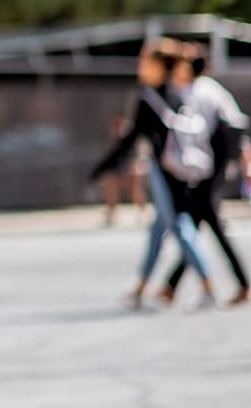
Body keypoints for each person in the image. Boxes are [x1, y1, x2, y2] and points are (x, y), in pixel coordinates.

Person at [90, 42, 217, 308]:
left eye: (145, 62)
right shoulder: (178, 94)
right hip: (183, 169)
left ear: (159, 66)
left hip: (163, 170)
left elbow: (131, 139)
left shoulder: (151, 98)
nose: (141, 67)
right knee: (159, 228)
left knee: (180, 226)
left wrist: (103, 168)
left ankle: (207, 283)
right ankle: (141, 287)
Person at [160, 44, 250, 305]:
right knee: (200, 219)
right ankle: (172, 284)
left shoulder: (195, 93)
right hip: (217, 164)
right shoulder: (214, 89)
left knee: (203, 218)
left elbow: (196, 135)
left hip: (208, 166)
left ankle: (240, 283)